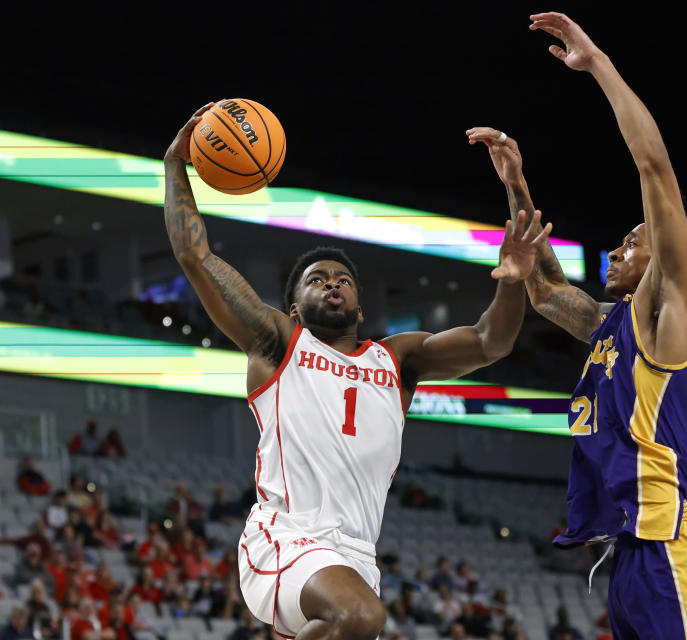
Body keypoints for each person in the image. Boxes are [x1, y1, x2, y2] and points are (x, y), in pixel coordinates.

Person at [163, 104, 551, 640]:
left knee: (359, 617)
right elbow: (197, 256)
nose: (332, 284)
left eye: (342, 279)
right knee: (361, 616)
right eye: (317, 279)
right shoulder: (278, 343)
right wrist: (174, 166)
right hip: (286, 537)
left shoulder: (397, 359)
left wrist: (511, 279)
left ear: (361, 308)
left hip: (355, 556)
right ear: (294, 308)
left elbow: (491, 341)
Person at [468, 12, 687, 639]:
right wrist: (516, 186)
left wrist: (598, 65)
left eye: (631, 242)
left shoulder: (670, 310)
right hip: (630, 555)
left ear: (666, 259)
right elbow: (544, 288)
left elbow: (655, 172)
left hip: (676, 544)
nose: (616, 252)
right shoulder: (612, 326)